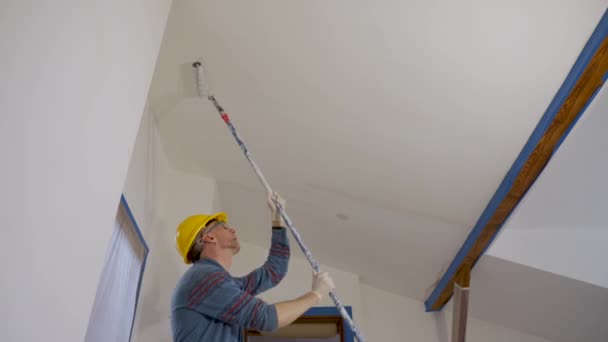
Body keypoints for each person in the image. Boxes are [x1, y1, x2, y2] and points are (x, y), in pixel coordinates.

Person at [170, 192, 335, 342]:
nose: (232, 229)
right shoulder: (203, 278)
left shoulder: (219, 283)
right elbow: (267, 318)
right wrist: (316, 294)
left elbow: (273, 272)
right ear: (209, 237)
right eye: (224, 227)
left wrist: (278, 220)